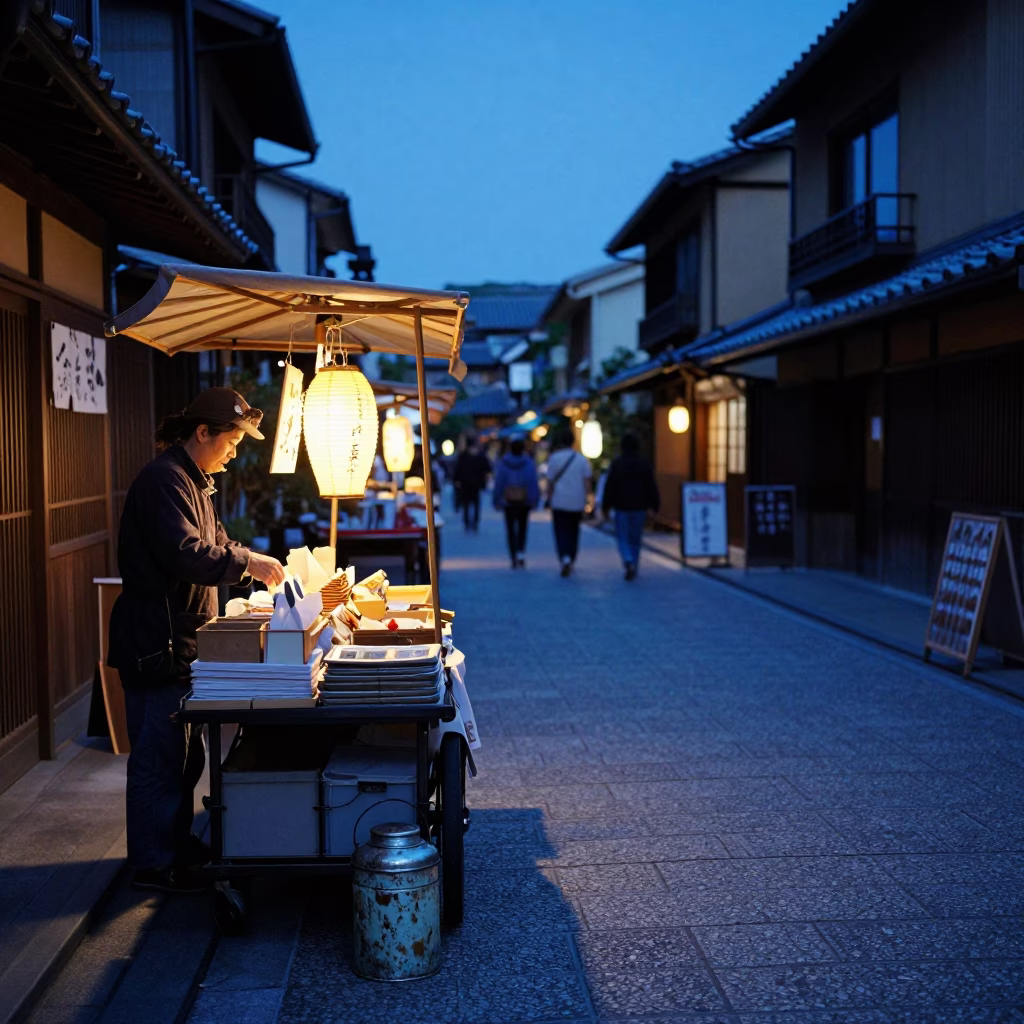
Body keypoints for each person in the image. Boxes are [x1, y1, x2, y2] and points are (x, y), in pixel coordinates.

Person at [107, 388, 286, 893]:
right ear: (202, 432)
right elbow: (187, 553)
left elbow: (217, 544)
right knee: (157, 756)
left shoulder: (193, 480)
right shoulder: (165, 480)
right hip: (155, 640)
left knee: (184, 757)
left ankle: (175, 846)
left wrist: (249, 559)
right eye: (230, 440)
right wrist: (247, 563)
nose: (234, 450)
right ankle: (151, 863)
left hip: (180, 641)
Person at [602, 433, 660, 581]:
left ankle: (627, 560)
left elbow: (610, 487)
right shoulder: (644, 464)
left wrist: (605, 506)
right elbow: (651, 486)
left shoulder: (617, 463)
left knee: (622, 536)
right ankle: (634, 562)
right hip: (640, 506)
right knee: (635, 537)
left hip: (621, 506)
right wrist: (654, 506)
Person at [544, 426, 593, 577]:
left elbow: (550, 482)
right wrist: (589, 500)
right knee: (574, 531)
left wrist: (548, 498)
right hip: (576, 501)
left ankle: (564, 557)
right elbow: (587, 483)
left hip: (559, 501)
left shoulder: (554, 458)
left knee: (560, 531)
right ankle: (571, 557)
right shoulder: (581, 459)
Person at [492, 438, 540, 568]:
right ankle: (521, 553)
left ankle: (513, 556)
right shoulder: (528, 463)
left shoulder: (504, 463)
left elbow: (499, 482)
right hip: (524, 501)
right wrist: (534, 499)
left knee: (510, 529)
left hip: (508, 501)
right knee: (523, 528)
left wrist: (496, 499)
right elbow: (532, 482)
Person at [452, 437, 491, 532]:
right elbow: (487, 469)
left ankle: (467, 523)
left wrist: (457, 480)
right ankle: (474, 523)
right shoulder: (479, 456)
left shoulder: (464, 456)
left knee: (466, 505)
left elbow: (457, 469)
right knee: (475, 504)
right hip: (475, 485)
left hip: (466, 484)